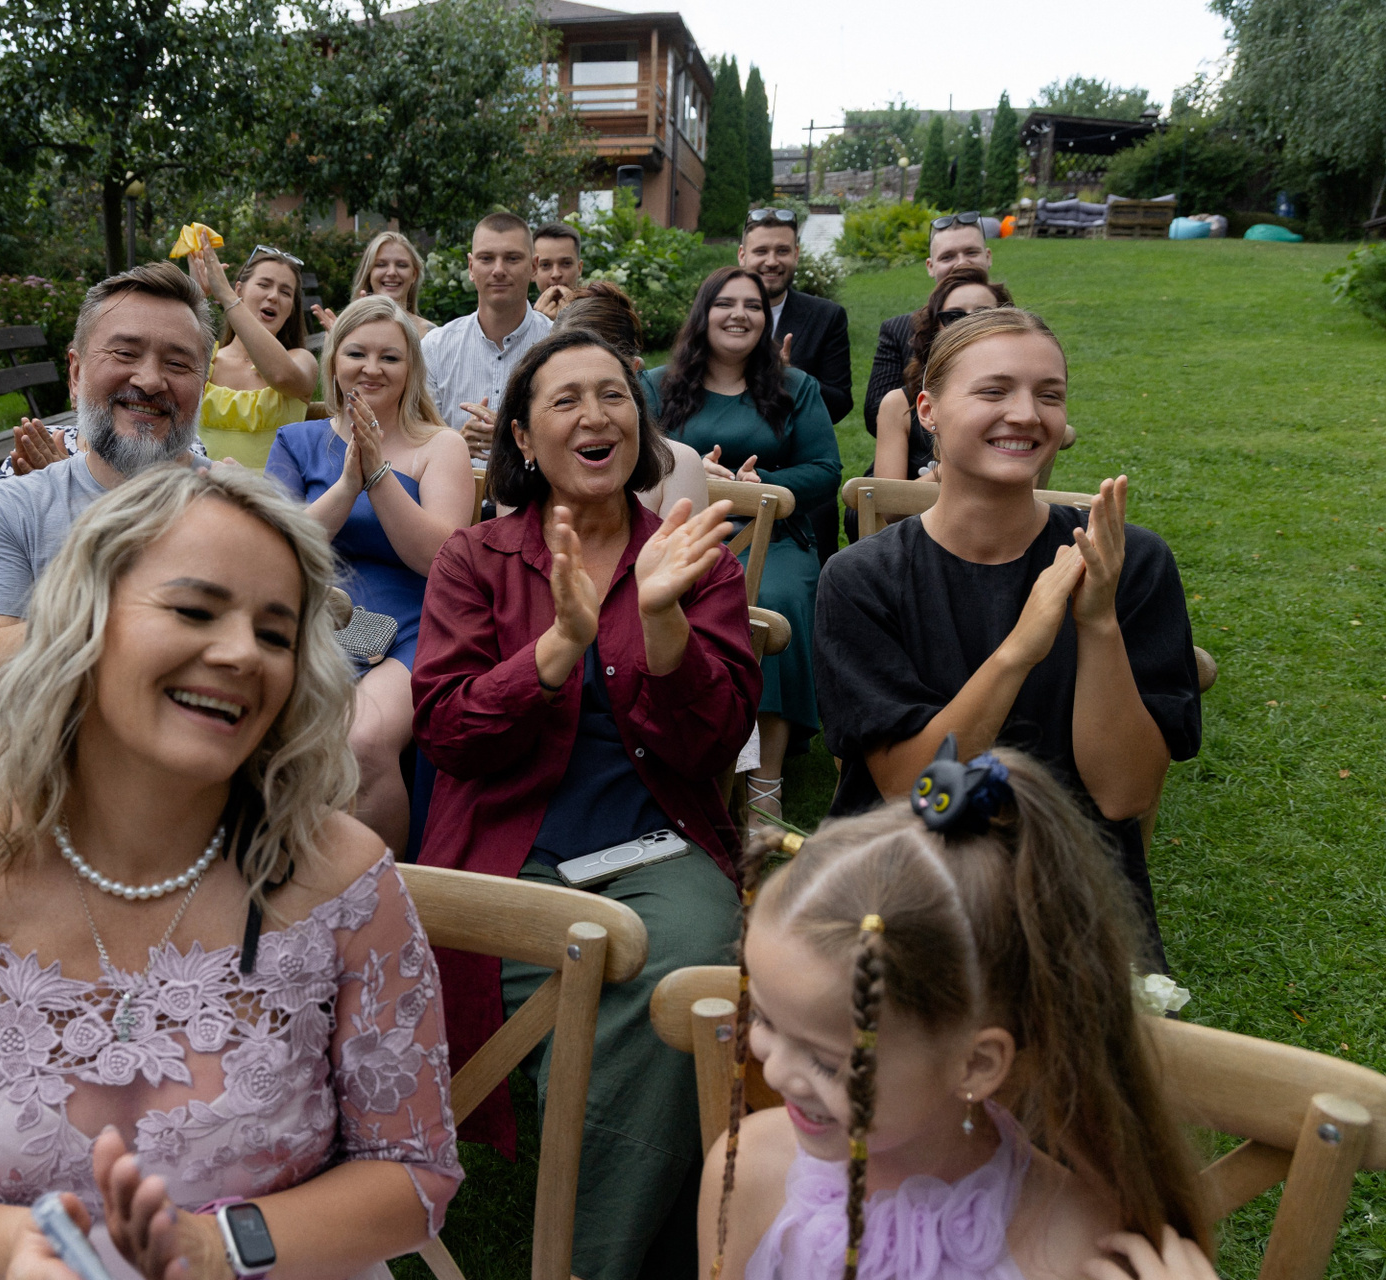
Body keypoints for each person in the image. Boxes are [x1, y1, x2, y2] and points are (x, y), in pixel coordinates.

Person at [0, 465, 462, 1280]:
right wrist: (25, 1252)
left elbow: (411, 1173)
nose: (241, 653)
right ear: (85, 624)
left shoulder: (341, 883)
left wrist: (215, 1248)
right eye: (195, 610)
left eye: (275, 634)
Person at [413, 329, 758, 1280]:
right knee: (618, 1005)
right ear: (523, 438)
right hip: (506, 850)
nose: (596, 415)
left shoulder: (692, 558)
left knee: (684, 974)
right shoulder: (475, 559)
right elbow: (447, 731)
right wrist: (557, 648)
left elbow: (713, 746)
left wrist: (661, 621)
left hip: (656, 840)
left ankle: (585, 1261)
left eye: (614, 395)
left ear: (640, 425)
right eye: (565, 400)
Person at [699, 749, 1219, 1280]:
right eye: (764, 1019)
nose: (775, 1070)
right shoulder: (749, 1169)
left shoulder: (1078, 1252)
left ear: (975, 1064)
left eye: (829, 1063)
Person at [814, 308, 1200, 965]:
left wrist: (1097, 623)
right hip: (906, 888)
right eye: (994, 391)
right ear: (928, 411)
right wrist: (1021, 647)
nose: (1026, 414)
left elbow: (1125, 794)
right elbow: (913, 792)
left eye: (1049, 395)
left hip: (1072, 890)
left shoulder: (1127, 562)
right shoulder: (861, 579)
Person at [0, 261, 214, 720]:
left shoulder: (238, 507)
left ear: (203, 385)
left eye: (177, 364)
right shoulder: (14, 509)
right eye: (125, 354)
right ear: (76, 374)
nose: (150, 380)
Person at [265, 295, 473, 857]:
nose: (372, 368)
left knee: (362, 738)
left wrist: (377, 473)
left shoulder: (440, 446)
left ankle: (379, 889)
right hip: (312, 617)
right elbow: (276, 551)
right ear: (334, 360)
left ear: (412, 369)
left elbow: (440, 559)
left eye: (391, 357)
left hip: (412, 626)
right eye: (357, 353)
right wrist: (345, 487)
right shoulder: (296, 442)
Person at [644, 267, 842, 833]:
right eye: (725, 303)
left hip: (775, 538)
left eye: (752, 306)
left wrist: (767, 484)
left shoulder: (795, 386)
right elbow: (634, 455)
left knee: (773, 603)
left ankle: (764, 781)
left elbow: (826, 469)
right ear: (702, 314)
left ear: (766, 318)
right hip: (679, 534)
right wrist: (685, 467)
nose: (739, 314)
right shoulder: (656, 386)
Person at [739, 207, 853, 568]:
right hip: (729, 467)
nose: (772, 261)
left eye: (782, 251)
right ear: (742, 255)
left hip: (797, 472)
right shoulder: (718, 315)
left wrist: (790, 378)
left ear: (797, 254)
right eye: (761, 251)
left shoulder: (826, 317)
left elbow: (840, 401)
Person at [549, 282, 708, 516]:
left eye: (609, 392)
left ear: (633, 371)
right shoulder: (532, 464)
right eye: (567, 396)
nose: (593, 417)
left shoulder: (677, 466)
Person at [421, 211, 552, 455]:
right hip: (455, 480)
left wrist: (511, 442)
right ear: (471, 267)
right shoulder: (435, 348)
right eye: (486, 258)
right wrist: (457, 446)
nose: (498, 269)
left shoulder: (558, 344)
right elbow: (418, 442)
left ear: (533, 267)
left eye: (512, 258)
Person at [873, 267, 1013, 483]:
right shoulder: (898, 404)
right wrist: (962, 462)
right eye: (953, 317)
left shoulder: (1021, 402)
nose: (968, 326)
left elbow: (1021, 492)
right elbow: (886, 501)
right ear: (934, 329)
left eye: (984, 316)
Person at [185, 245, 319, 468]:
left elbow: (280, 376)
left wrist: (226, 296)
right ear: (240, 290)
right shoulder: (204, 359)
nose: (273, 296)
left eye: (285, 292)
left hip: (271, 490)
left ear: (291, 309)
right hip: (198, 486)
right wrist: (195, 298)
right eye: (264, 285)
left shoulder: (302, 360)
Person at [862, 211, 993, 436]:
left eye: (971, 252)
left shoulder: (1019, 330)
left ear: (988, 257)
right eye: (947, 257)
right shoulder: (899, 330)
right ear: (930, 266)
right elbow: (876, 416)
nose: (961, 263)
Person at [311, 231, 437, 338]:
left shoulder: (431, 335)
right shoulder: (343, 329)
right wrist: (341, 343)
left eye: (401, 265)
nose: (392, 272)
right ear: (368, 273)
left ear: (414, 275)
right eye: (381, 264)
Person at [531, 221, 584, 319]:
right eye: (545, 265)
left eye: (566, 263)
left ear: (579, 268)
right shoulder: (518, 321)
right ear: (533, 270)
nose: (556, 274)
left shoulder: (601, 318)